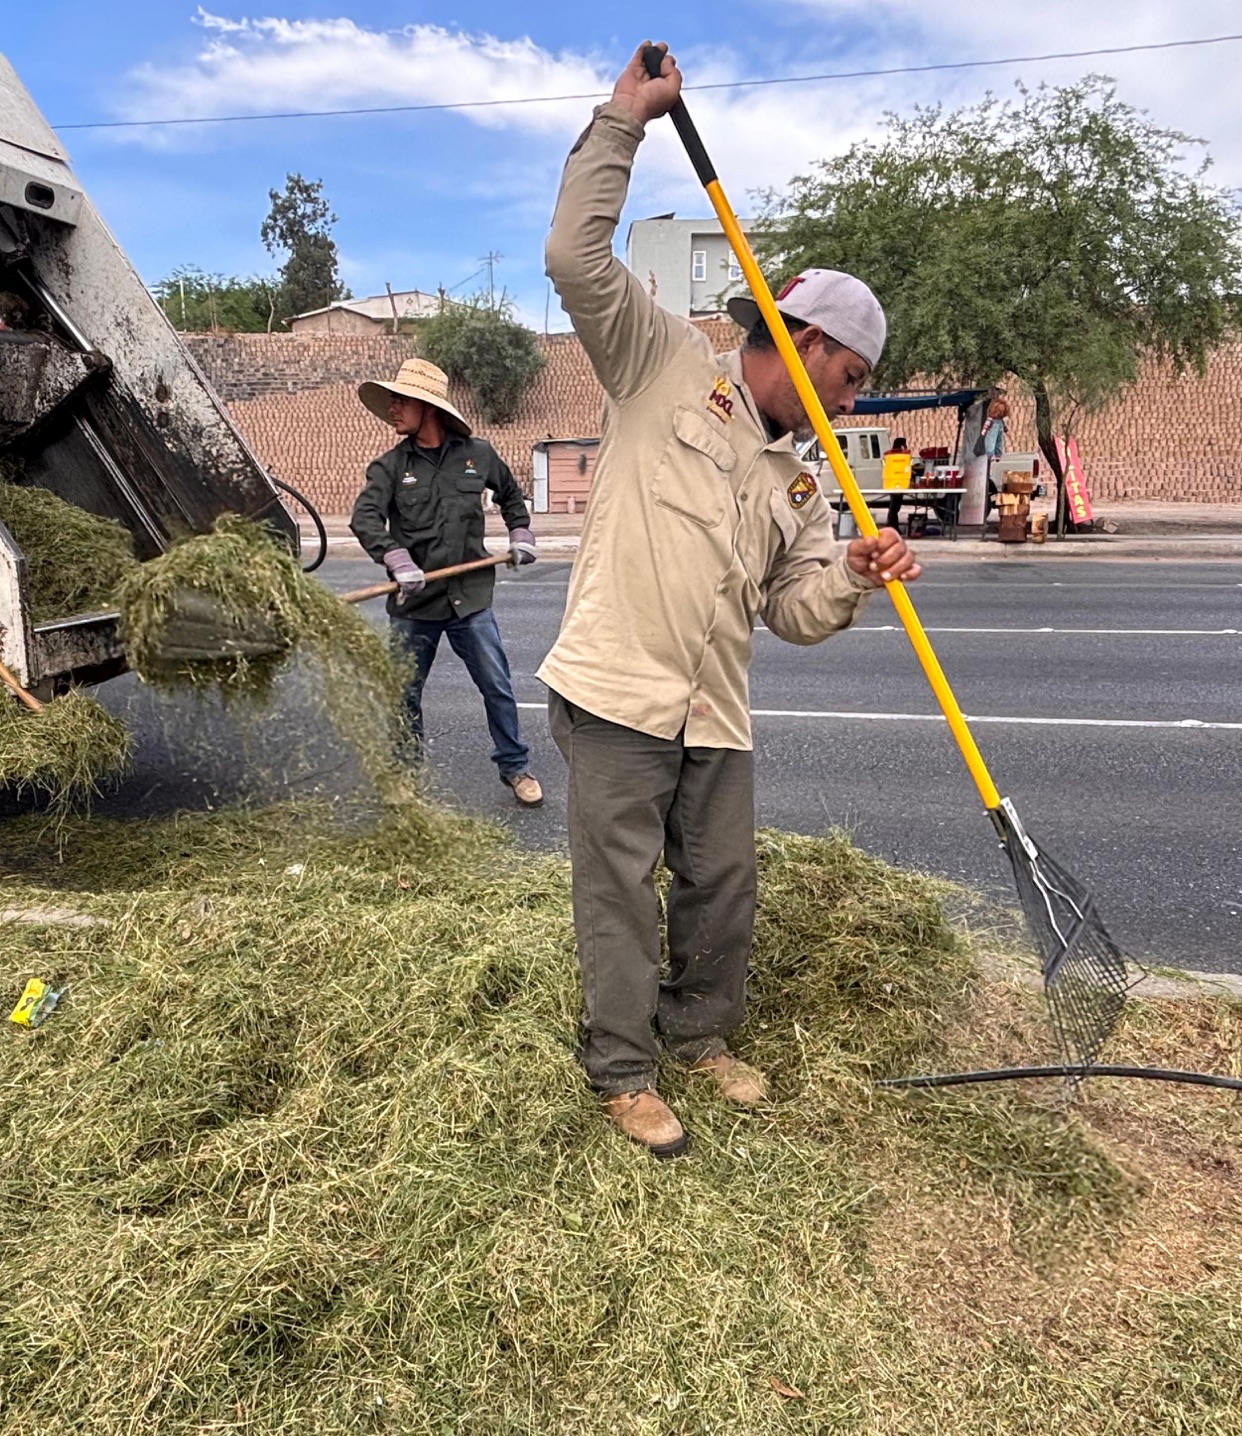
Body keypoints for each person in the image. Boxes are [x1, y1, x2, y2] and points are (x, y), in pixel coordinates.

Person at [539, 42, 921, 1158]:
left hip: (713, 708)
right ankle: (622, 1071)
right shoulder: (658, 361)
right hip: (616, 689)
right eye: (850, 378)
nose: (847, 404)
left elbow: (792, 609)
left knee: (720, 883)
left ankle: (699, 1032)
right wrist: (624, 119)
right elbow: (572, 256)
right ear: (810, 344)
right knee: (619, 891)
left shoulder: (803, 479)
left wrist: (851, 576)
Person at [350, 357, 544, 808]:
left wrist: (520, 534)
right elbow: (365, 518)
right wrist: (396, 559)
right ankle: (404, 775)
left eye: (401, 401)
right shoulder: (390, 467)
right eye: (393, 400)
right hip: (415, 605)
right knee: (403, 694)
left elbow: (511, 496)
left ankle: (515, 768)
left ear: (428, 407)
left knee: (497, 686)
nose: (393, 408)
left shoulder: (479, 456)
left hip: (469, 599)